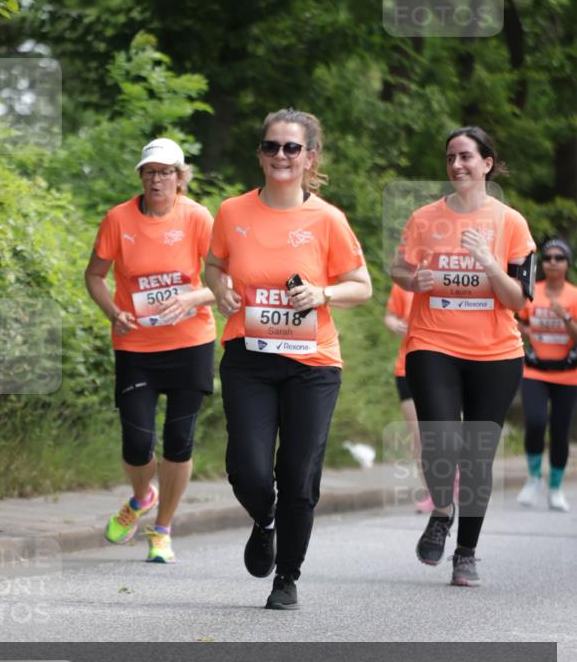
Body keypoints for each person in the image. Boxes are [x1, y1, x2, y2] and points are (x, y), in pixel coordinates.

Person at [205, 108, 372, 610]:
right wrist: (221, 291)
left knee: (298, 473)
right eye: (272, 146)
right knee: (248, 469)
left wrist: (321, 293)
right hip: (249, 357)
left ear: (309, 157)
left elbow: (361, 286)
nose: (281, 155)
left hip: (312, 364)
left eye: (292, 148)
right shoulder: (232, 213)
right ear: (260, 154)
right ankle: (266, 518)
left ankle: (287, 577)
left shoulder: (327, 219)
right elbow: (213, 266)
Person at [391, 125, 536, 587]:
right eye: (451, 157)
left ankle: (466, 553)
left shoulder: (510, 222)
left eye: (467, 157)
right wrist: (414, 281)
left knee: (476, 457)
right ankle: (442, 509)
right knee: (438, 440)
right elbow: (399, 267)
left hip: (495, 352)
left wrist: (488, 261)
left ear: (487, 163)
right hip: (432, 343)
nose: (457, 165)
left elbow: (518, 300)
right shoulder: (424, 218)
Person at [85, 137, 216, 564]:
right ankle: (142, 497)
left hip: (190, 343)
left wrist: (191, 299)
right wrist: (113, 312)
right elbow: (95, 276)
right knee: (137, 441)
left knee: (179, 441)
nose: (157, 179)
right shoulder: (117, 219)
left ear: (181, 179)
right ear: (141, 177)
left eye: (166, 172)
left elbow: (227, 282)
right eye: (150, 172)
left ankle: (162, 529)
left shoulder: (197, 218)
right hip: (136, 343)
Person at [516, 238, 577, 512]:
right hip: (535, 371)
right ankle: (533, 478)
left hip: (567, 374)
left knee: (560, 431)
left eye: (559, 257)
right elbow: (516, 319)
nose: (553, 261)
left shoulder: (574, 296)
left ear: (567, 263)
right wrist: (524, 331)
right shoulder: (533, 291)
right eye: (548, 257)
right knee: (537, 422)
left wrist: (565, 318)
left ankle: (555, 489)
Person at [384, 286, 431, 513]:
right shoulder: (404, 283)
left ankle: (457, 483)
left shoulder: (448, 277)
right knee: (420, 436)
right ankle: (432, 491)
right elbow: (390, 316)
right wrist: (395, 324)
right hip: (407, 367)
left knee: (447, 431)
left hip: (445, 368)